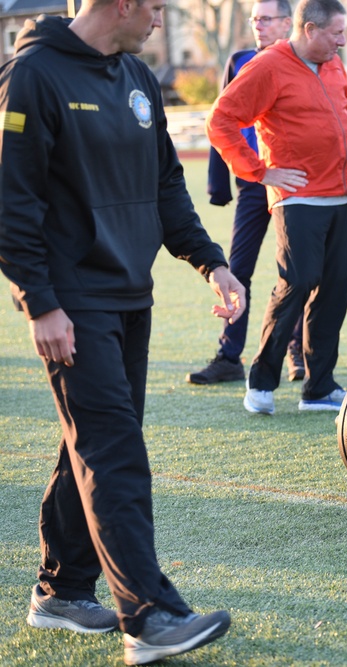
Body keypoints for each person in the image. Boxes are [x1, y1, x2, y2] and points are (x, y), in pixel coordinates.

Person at [0, 2, 240, 663]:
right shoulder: (32, 76)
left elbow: (165, 183)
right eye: (157, 7)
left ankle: (62, 589)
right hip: (72, 303)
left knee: (94, 441)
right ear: (123, 4)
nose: (162, 20)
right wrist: (39, 302)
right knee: (115, 452)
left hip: (132, 294)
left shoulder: (136, 77)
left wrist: (210, 260)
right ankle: (149, 616)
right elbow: (10, 200)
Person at [207, 0, 347, 415]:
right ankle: (260, 383)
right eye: (336, 34)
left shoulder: (333, 65)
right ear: (309, 29)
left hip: (340, 195)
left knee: (334, 291)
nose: (342, 42)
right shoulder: (268, 65)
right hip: (299, 197)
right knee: (299, 281)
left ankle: (319, 387)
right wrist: (259, 171)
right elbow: (221, 120)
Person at [188, 0, 307, 385]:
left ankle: (298, 354)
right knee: (238, 268)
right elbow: (220, 120)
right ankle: (228, 356)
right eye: (255, 19)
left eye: (266, 19)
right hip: (253, 184)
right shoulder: (239, 60)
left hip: (292, 182)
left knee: (296, 271)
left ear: (288, 23)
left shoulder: (303, 60)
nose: (258, 25)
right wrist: (218, 183)